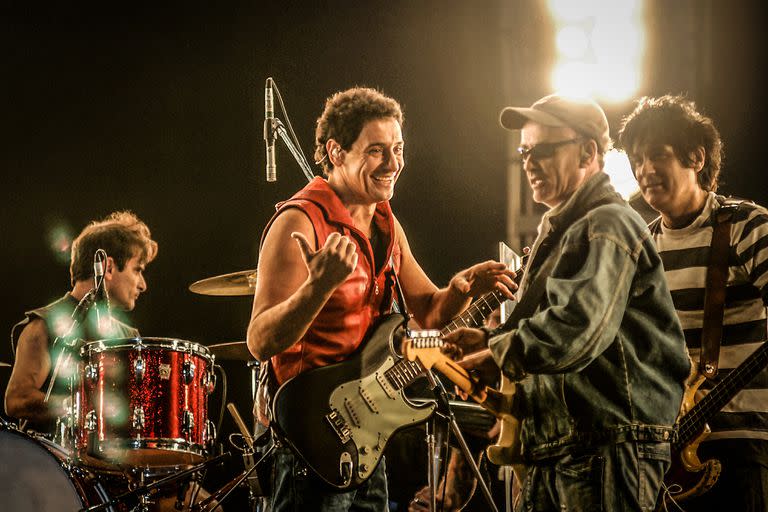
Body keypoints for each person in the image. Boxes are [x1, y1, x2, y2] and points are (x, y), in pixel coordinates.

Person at [246, 86, 516, 512]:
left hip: (364, 441)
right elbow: (260, 341)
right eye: (376, 150)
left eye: (398, 148)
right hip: (309, 440)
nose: (393, 163)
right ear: (336, 152)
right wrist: (318, 287)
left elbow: (427, 311)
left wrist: (462, 292)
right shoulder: (299, 220)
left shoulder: (386, 222)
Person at [442, 94, 691, 511]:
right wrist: (489, 338)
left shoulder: (609, 223)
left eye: (543, 150)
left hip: (609, 445)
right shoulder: (561, 229)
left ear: (588, 152)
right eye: (524, 152)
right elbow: (547, 322)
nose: (529, 163)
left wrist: (494, 353)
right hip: (561, 444)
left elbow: (576, 328)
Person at [619, 94, 768, 511]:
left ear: (697, 157)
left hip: (739, 449)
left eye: (656, 155)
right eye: (636, 160)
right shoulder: (638, 248)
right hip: (659, 460)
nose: (644, 171)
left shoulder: (746, 226)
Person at [5, 210, 157, 435]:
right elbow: (16, 400)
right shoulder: (44, 324)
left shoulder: (130, 337)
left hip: (111, 465)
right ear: (108, 267)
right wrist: (81, 408)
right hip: (51, 465)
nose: (143, 285)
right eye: (138, 270)